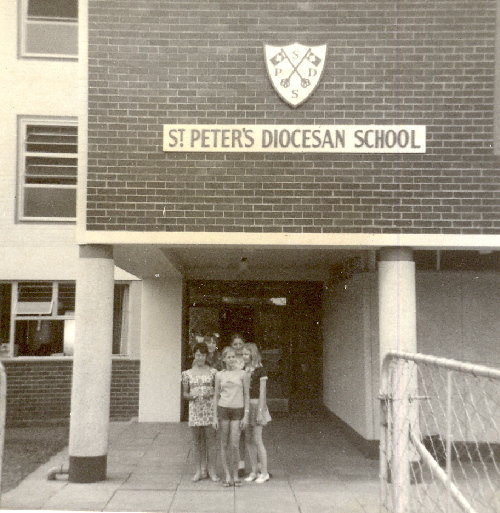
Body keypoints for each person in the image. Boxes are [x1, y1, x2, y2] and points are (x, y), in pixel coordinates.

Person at [181, 343, 220, 482]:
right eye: (198, 355)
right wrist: (191, 396)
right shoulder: (187, 374)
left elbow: (218, 392)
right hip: (195, 410)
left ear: (206, 356)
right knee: (197, 442)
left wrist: (211, 394)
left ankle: (212, 471)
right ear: (194, 355)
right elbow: (185, 394)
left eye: (203, 355)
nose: (200, 358)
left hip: (209, 409)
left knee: (211, 441)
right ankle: (199, 471)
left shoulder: (213, 372)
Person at [213, 346, 250, 487]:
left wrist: (246, 415)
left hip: (237, 410)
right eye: (228, 357)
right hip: (223, 409)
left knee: (235, 444)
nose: (231, 359)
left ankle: (235, 474)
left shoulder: (243, 374)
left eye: (233, 357)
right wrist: (214, 417)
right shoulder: (219, 375)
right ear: (223, 359)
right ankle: (227, 475)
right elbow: (216, 396)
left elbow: (246, 394)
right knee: (224, 443)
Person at [242, 343, 272, 483]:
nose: (244, 356)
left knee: (257, 439)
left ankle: (264, 472)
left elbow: (262, 393)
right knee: (248, 439)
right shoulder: (244, 369)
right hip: (246, 406)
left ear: (253, 354)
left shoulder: (261, 370)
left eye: (246, 354)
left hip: (257, 405)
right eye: (243, 354)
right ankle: (254, 470)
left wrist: (260, 412)